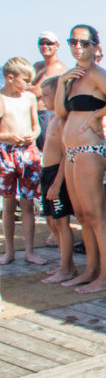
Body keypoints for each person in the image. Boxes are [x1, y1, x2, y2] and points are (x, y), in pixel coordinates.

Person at [54, 24, 106, 293]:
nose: (78, 47)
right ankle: (91, 270)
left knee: (96, 215)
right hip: (72, 152)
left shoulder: (97, 73)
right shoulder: (74, 77)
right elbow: (60, 112)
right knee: (83, 216)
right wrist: (62, 82)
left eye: (84, 43)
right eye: (73, 42)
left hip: (90, 150)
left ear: (95, 46)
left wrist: (97, 116)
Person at [0, 56, 44, 266]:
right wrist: (7, 137)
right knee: (8, 203)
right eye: (25, 80)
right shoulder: (1, 98)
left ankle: (29, 251)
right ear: (10, 78)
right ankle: (9, 250)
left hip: (28, 151)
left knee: (28, 202)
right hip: (5, 153)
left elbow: (37, 125)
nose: (28, 84)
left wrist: (34, 134)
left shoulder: (29, 98)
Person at [37, 76, 77, 283]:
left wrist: (57, 183)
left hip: (57, 175)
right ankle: (66, 264)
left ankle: (66, 268)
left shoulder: (63, 120)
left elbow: (65, 154)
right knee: (52, 221)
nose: (42, 99)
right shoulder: (52, 118)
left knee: (61, 223)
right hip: (47, 172)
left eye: (46, 95)